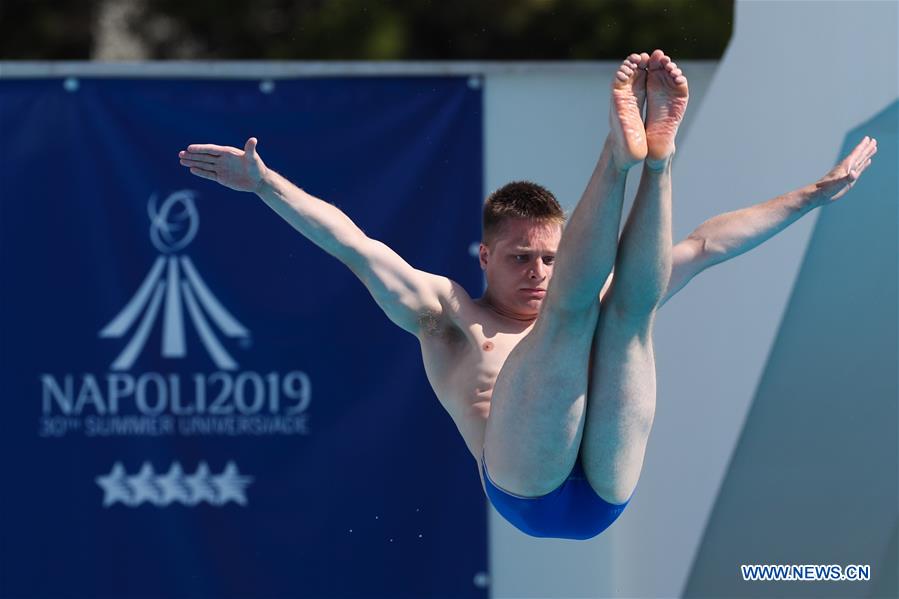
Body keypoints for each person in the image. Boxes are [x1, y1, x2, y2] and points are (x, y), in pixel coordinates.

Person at [178, 49, 877, 540]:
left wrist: (812, 196)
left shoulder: (583, 288)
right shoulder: (447, 314)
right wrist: (269, 186)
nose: (537, 270)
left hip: (606, 487)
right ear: (484, 256)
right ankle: (618, 154)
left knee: (630, 308)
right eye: (520, 257)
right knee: (572, 320)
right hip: (526, 491)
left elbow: (707, 243)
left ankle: (654, 161)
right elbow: (354, 244)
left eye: (549, 254)